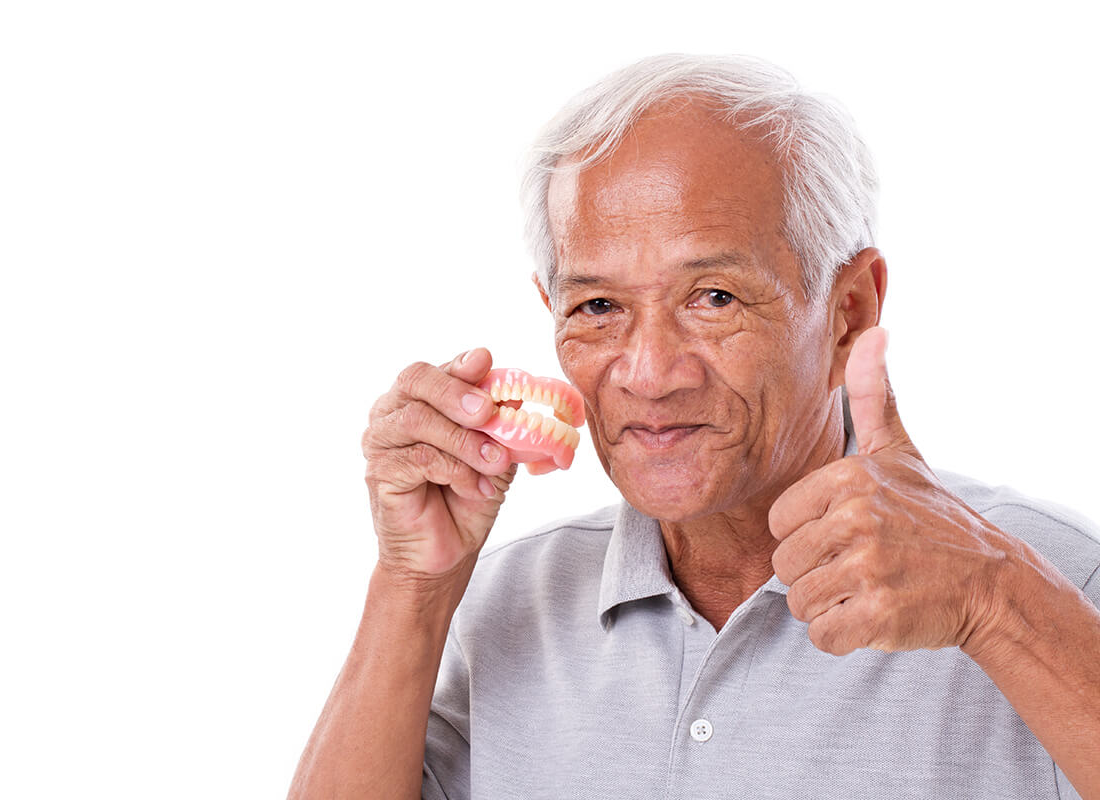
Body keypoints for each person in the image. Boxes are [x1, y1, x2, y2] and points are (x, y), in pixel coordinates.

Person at [288, 54, 1100, 799]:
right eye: (598, 308)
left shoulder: (1053, 584)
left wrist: (999, 606)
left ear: (848, 311)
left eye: (712, 297)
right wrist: (414, 589)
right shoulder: (506, 601)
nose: (648, 372)